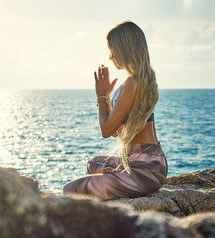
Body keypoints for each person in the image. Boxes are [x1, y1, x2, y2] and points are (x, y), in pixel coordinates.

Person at [63, 21, 168, 201]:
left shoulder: (132, 84)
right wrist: (121, 168)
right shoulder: (143, 80)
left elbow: (106, 131)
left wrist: (102, 96)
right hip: (148, 163)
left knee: (70, 189)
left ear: (125, 49)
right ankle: (119, 176)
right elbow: (116, 132)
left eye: (113, 50)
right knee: (94, 163)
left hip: (145, 170)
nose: (111, 57)